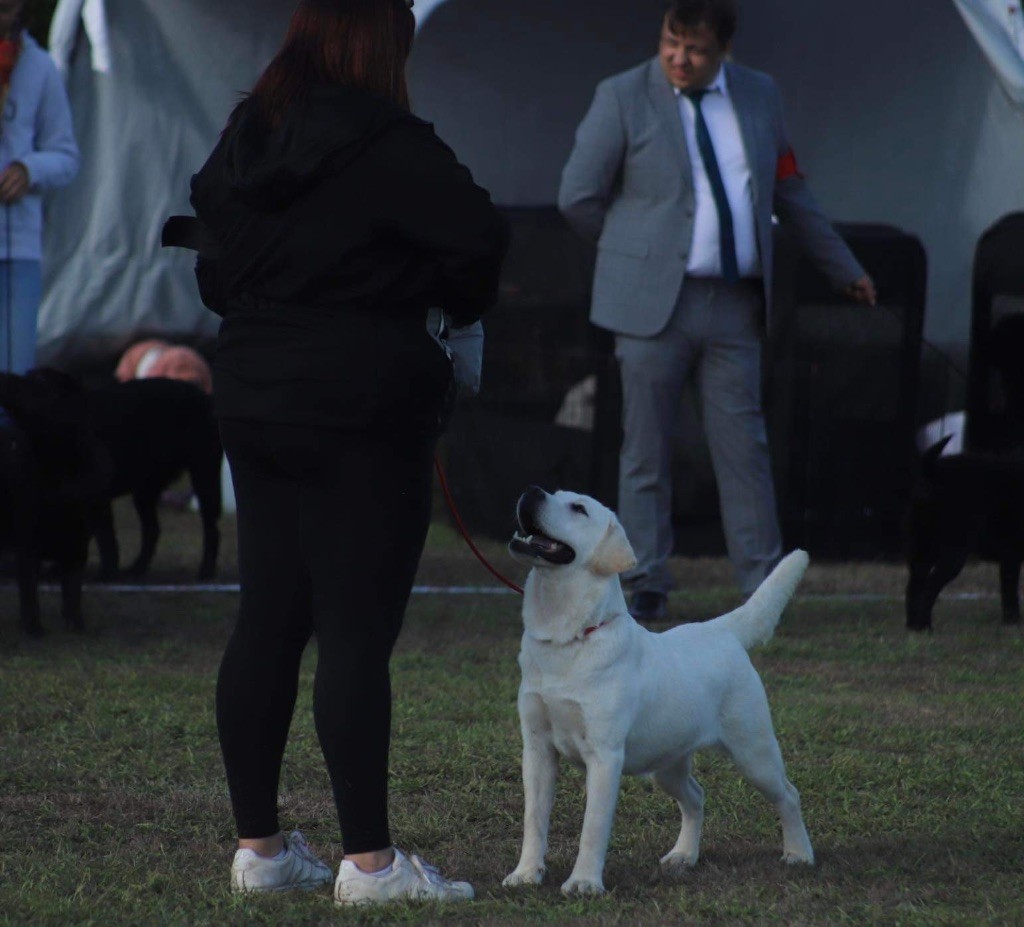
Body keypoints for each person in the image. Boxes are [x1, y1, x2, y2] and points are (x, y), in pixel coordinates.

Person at [188, 0, 508, 905]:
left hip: (253, 395)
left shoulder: (250, 129)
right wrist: (417, 288)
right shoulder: (390, 140)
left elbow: (211, 260)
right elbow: (480, 241)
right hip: (362, 405)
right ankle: (369, 864)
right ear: (380, 42)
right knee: (356, 635)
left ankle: (261, 848)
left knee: (268, 618)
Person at [558, 0, 876, 623]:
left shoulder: (760, 95)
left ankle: (763, 587)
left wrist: (845, 268)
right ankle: (645, 578)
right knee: (644, 446)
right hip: (653, 303)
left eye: (695, 49)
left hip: (733, 300)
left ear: (723, 48)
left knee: (744, 447)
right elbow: (577, 196)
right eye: (671, 41)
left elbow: (791, 189)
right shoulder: (622, 95)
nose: (679, 57)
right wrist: (634, 255)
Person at [0, 0, 79, 374]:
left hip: (17, 250)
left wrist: (28, 169)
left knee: (14, 374)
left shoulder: (39, 66)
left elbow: (66, 156)